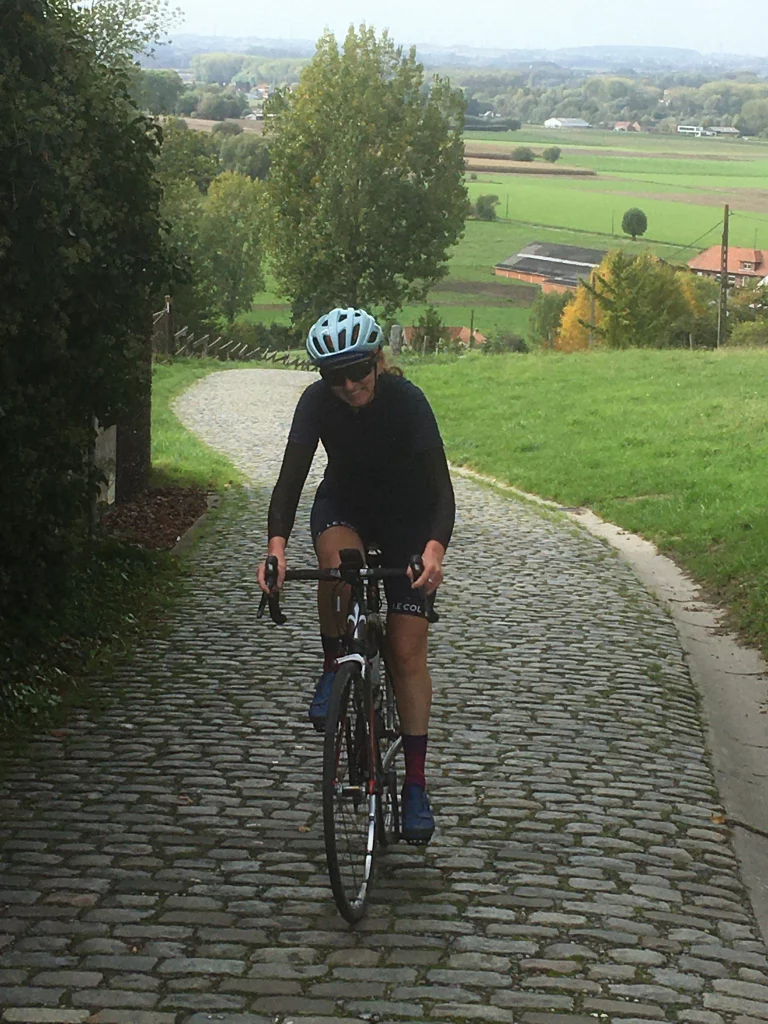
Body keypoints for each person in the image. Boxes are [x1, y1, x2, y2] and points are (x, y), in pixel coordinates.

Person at [258, 306, 455, 845]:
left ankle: (414, 784)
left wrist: (434, 549)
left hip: (408, 517)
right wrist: (275, 550)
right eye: (334, 376)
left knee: (406, 650)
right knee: (337, 570)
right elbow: (290, 483)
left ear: (377, 360)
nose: (349, 385)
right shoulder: (317, 403)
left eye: (358, 371)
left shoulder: (407, 401)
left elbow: (442, 492)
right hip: (344, 504)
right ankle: (332, 666)